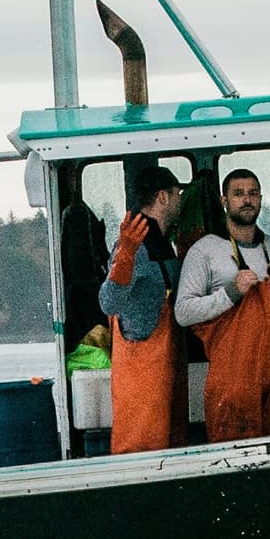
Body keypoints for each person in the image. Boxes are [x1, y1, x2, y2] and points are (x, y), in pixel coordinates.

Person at [175, 164, 270, 441]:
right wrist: (231, 292)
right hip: (235, 381)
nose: (247, 199)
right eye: (238, 193)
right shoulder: (205, 250)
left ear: (260, 199)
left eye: (253, 193)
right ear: (224, 201)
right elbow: (183, 312)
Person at [96, 160, 186, 453]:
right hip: (140, 369)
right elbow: (109, 302)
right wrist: (125, 258)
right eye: (177, 194)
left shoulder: (163, 242)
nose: (180, 201)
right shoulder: (133, 244)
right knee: (139, 447)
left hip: (165, 364)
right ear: (163, 197)